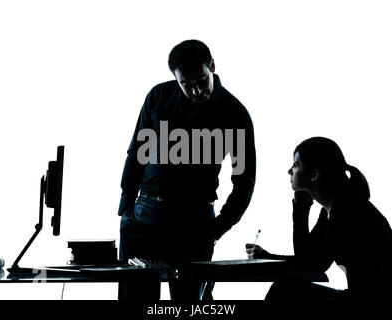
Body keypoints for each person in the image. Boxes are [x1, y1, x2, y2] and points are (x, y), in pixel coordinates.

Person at [119, 40, 256, 301]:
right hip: (143, 218)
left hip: (193, 224)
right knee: (135, 301)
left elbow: (244, 180)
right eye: (186, 84)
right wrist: (127, 207)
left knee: (188, 305)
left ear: (213, 67)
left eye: (202, 80)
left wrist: (217, 228)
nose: (195, 90)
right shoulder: (158, 97)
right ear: (176, 78)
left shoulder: (233, 114)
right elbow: (137, 153)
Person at [246, 137, 392, 301]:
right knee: (285, 288)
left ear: (314, 174)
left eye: (295, 164)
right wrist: (301, 209)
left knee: (284, 291)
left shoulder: (346, 209)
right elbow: (305, 256)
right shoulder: (333, 208)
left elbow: (314, 264)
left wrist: (268, 257)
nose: (289, 171)